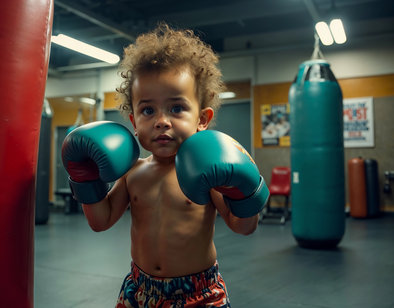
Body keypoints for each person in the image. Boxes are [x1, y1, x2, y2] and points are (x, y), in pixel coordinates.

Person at [61, 23, 269, 308]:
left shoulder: (208, 174)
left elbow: (243, 227)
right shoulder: (133, 172)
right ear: (134, 122)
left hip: (198, 292)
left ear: (202, 119)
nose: (161, 120)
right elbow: (100, 221)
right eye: (148, 110)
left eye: (176, 108)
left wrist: (244, 191)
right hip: (141, 289)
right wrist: (85, 178)